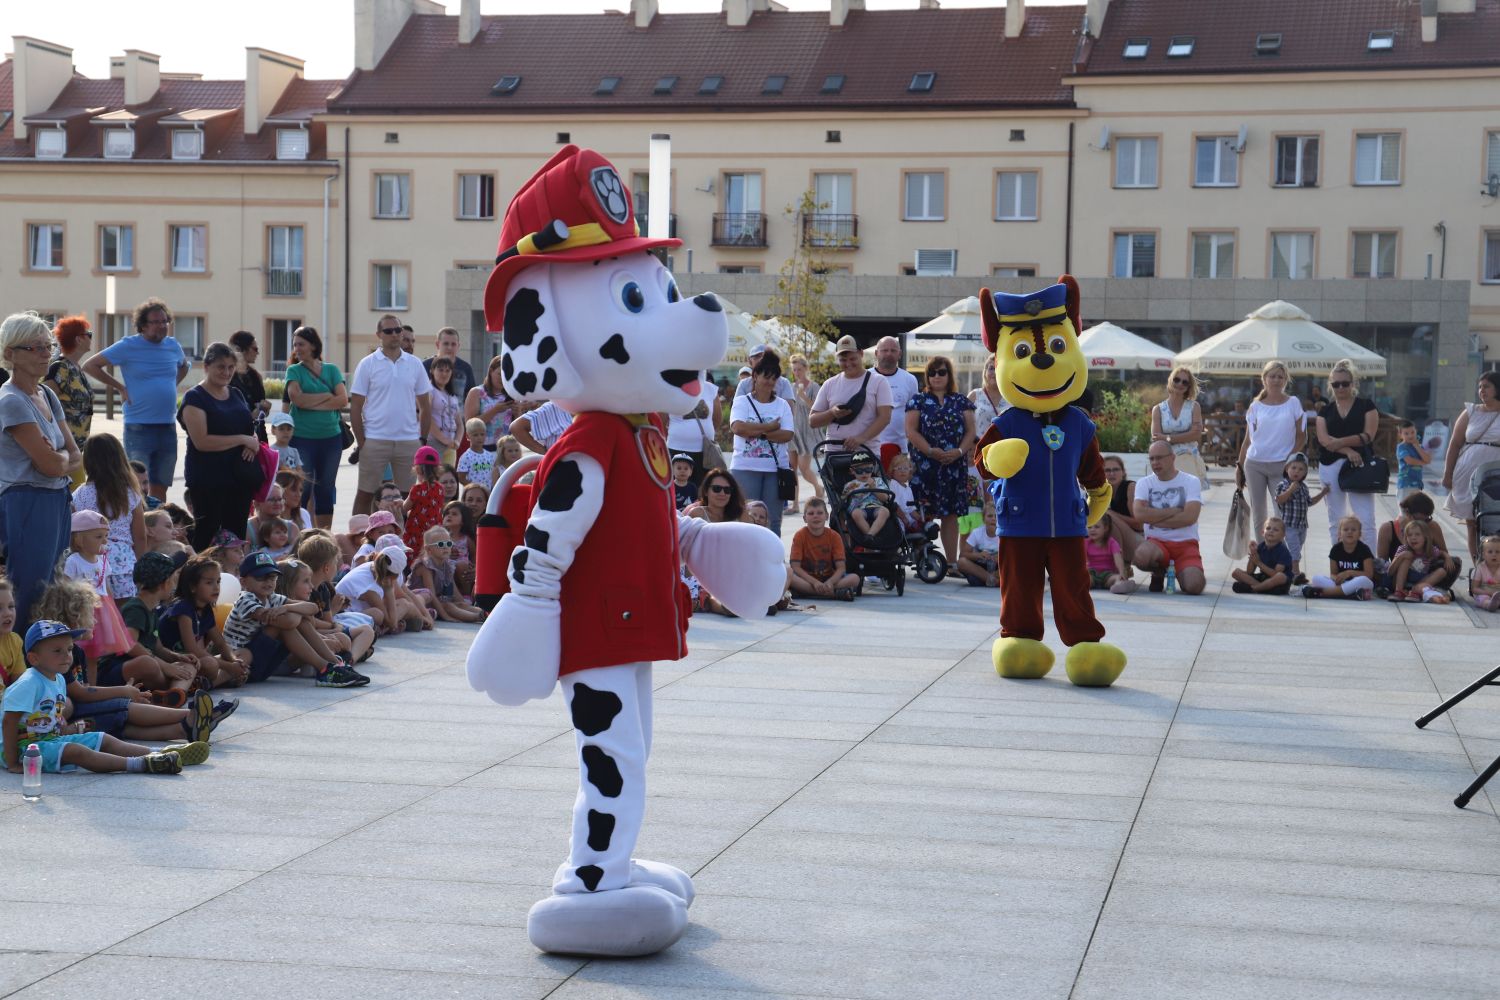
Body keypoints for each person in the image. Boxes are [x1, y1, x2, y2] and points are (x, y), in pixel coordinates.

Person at [3, 620, 186, 776]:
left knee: (102, 738)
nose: (67, 656)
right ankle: (141, 764)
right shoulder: (29, 683)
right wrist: (12, 763)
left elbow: (52, 713)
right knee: (76, 751)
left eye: (69, 649)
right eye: (57, 651)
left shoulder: (58, 678)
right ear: (34, 658)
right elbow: (9, 722)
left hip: (48, 740)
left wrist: (66, 729)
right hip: (23, 748)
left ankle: (160, 753)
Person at [0, 312, 81, 625]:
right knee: (30, 589)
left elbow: (75, 455)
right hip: (26, 501)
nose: (46, 354)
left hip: (55, 498)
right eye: (35, 348)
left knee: (52, 587)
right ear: (10, 354)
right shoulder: (11, 400)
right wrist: (60, 459)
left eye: (49, 347)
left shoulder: (46, 393)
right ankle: (19, 662)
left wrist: (59, 458)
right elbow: (50, 465)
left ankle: (45, 663)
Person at [81, 297, 190, 503]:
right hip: (138, 426)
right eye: (156, 322)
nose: (162, 326)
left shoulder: (173, 345)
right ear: (142, 326)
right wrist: (119, 387)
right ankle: (139, 525)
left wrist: (170, 385)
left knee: (161, 484)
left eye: (165, 321)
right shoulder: (128, 345)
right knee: (135, 484)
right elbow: (90, 365)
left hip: (167, 426)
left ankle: (157, 525)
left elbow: (184, 366)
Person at [223, 552, 365, 686]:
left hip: (261, 662)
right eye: (260, 578)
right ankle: (325, 669)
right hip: (241, 665)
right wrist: (294, 611)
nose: (267, 582)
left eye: (272, 577)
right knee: (284, 625)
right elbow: (289, 622)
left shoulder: (272, 598)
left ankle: (334, 664)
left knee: (300, 618)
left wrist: (287, 608)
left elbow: (313, 608)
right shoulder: (245, 600)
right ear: (243, 581)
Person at [178, 342, 260, 552]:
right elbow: (202, 441)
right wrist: (243, 439)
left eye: (231, 367)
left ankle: (232, 579)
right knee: (207, 535)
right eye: (220, 367)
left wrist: (252, 443)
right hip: (208, 480)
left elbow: (249, 429)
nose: (226, 372)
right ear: (206, 367)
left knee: (236, 535)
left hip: (239, 478)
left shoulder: (236, 394)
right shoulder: (195, 397)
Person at [350, 316, 432, 516]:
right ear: (379, 335)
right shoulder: (367, 364)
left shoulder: (414, 364)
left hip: (409, 440)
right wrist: (362, 442)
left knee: (407, 497)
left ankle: (404, 541)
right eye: (388, 331)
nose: (395, 334)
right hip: (375, 439)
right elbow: (355, 407)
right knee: (365, 494)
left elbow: (425, 406)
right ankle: (357, 539)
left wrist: (421, 439)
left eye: (398, 329)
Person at [904, 355, 976, 569]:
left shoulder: (961, 401)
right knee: (924, 512)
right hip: (925, 464)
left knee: (951, 515)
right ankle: (925, 561)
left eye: (942, 372)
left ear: (949, 375)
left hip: (954, 465)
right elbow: (910, 430)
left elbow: (971, 430)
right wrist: (930, 451)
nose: (937, 376)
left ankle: (951, 562)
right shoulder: (917, 400)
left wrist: (960, 451)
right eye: (932, 372)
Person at [283, 326, 347, 529]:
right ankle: (299, 533)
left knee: (326, 490)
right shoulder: (294, 370)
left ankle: (324, 535)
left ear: (313, 345)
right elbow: (297, 399)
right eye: (295, 345)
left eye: (301, 344)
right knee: (302, 488)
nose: (297, 348)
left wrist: (312, 402)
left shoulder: (331, 370)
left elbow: (343, 400)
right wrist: (327, 397)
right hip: (302, 438)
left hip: (331, 438)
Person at [71, 433, 146, 600]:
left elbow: (74, 533)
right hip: (124, 564)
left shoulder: (79, 495)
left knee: (100, 616)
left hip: (91, 561)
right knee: (122, 618)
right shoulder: (130, 494)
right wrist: (140, 570)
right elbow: (140, 537)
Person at [1236, 360, 1306, 541]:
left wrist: (1289, 462)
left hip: (1282, 466)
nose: (1276, 380)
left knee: (1282, 512)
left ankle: (1282, 555)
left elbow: (1301, 436)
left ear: (1285, 380)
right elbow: (1247, 441)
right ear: (1264, 379)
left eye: (1280, 377)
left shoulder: (1293, 403)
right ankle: (1262, 552)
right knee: (1259, 512)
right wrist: (1239, 467)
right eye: (1272, 376)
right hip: (1254, 464)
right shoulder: (1255, 406)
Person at [1315, 359, 1381, 547]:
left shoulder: (1366, 405)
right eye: (1336, 384)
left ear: (1353, 384)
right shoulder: (1324, 410)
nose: (1341, 387)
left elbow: (1368, 435)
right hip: (1329, 464)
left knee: (1365, 518)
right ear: (1330, 385)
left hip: (1360, 465)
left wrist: (1340, 442)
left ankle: (1370, 564)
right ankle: (1337, 563)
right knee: (1335, 518)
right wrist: (1347, 449)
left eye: (1345, 383)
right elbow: (1323, 440)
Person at [729, 351, 795, 538]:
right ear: (755, 376)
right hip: (745, 467)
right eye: (766, 376)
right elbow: (739, 428)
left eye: (774, 378)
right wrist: (770, 426)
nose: (770, 381)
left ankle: (772, 560)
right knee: (744, 517)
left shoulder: (782, 405)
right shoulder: (742, 401)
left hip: (776, 469)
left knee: (773, 519)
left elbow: (787, 434)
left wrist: (759, 431)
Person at [159, 555, 249, 689]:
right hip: (175, 662)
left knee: (244, 654)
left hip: (194, 662)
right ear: (193, 587)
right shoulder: (182, 608)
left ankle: (202, 684)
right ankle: (205, 683)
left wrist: (234, 660)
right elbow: (192, 650)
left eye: (218, 582)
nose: (216, 587)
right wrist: (230, 667)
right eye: (209, 583)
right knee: (210, 664)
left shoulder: (205, 608)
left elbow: (219, 641)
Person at [1132, 440, 1206, 595]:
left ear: (1172, 458)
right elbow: (1139, 514)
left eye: (1159, 458)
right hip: (1157, 543)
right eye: (1151, 458)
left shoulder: (1191, 481)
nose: (1155, 462)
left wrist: (1152, 517)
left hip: (1185, 545)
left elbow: (1190, 518)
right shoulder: (1144, 483)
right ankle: (1159, 571)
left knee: (1194, 586)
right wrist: (1173, 511)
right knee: (1141, 556)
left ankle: (1180, 572)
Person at [1441, 371, 1500, 562]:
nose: (1482, 390)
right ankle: (1478, 567)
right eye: (1480, 386)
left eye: (1487, 386)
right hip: (1466, 473)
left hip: (1494, 472)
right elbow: (1455, 443)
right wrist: (1447, 473)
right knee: (1472, 523)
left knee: (1494, 518)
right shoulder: (1471, 411)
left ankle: (1495, 568)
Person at [809, 335, 893, 454]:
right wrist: (832, 413)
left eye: (852, 358)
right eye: (843, 360)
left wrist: (861, 438)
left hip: (866, 453)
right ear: (837, 359)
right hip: (834, 452)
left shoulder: (879, 381)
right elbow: (812, 421)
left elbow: (885, 417)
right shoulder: (829, 384)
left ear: (861, 354)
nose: (848, 363)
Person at [44, 315, 94, 488]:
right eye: (89, 334)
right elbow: (45, 403)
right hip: (64, 449)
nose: (91, 337)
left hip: (76, 448)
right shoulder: (60, 368)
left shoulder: (75, 368)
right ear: (79, 339)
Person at [788, 498, 859, 601]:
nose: (815, 516)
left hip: (828, 578)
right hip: (806, 579)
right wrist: (815, 582)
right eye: (811, 513)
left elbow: (841, 568)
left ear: (827, 516)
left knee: (854, 578)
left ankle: (808, 592)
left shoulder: (834, 536)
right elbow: (795, 567)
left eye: (820, 513)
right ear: (804, 518)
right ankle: (833, 594)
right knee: (789, 575)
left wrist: (830, 582)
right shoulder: (800, 535)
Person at [410, 525, 485, 623]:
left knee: (458, 604)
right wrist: (445, 616)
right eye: (441, 544)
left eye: (449, 543)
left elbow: (455, 592)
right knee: (447, 605)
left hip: (437, 602)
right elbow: (431, 595)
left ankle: (487, 613)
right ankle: (478, 617)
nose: (446, 547)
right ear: (429, 549)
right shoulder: (425, 566)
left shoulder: (447, 565)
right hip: (421, 601)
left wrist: (462, 604)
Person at [1151, 366, 1209, 492]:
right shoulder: (1158, 409)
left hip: (1189, 461)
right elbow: (1156, 439)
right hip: (1166, 462)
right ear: (1171, 380)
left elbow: (1196, 435)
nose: (1180, 384)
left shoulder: (1194, 406)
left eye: (1185, 382)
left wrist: (1167, 438)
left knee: (1189, 503)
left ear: (1189, 387)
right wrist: (1185, 436)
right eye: (1177, 380)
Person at [1274, 452, 1327, 583]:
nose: (1296, 471)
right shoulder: (1283, 484)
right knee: (1295, 549)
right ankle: (1295, 573)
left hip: (1302, 525)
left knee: (1296, 548)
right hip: (1289, 525)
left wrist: (1322, 493)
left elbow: (1310, 502)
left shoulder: (1304, 487)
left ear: (1305, 473)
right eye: (1293, 468)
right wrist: (1291, 490)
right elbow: (1279, 500)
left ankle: (1287, 570)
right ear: (1287, 469)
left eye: (1301, 469)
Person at [872, 336, 920, 470]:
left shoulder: (910, 380)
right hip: (869, 448)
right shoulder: (866, 378)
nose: (889, 354)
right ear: (876, 353)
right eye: (884, 350)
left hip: (900, 449)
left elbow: (914, 415)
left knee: (898, 488)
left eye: (893, 350)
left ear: (900, 354)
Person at [1302, 516, 1377, 600]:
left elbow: (1369, 575)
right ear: (1339, 533)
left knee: (1364, 581)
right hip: (1342, 584)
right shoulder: (1336, 549)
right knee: (1316, 578)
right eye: (1346, 529)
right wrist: (1336, 578)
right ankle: (1351, 594)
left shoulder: (1364, 549)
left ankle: (1323, 593)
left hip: (1357, 582)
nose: (1349, 532)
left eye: (1353, 530)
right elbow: (1333, 574)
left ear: (1359, 534)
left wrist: (1349, 573)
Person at [1387, 517, 1457, 604]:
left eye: (1417, 534)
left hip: (1420, 580)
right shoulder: (1403, 549)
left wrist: (1447, 557)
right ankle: (1399, 592)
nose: (1413, 538)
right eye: (1409, 535)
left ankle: (1415, 591)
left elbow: (1441, 552)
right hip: (1401, 581)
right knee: (1408, 556)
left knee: (1442, 571)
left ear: (1425, 537)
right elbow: (1390, 572)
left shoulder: (1430, 550)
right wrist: (1401, 556)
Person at [666, 377, 720, 488]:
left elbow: (717, 419)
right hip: (676, 449)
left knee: (702, 490)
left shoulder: (710, 389)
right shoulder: (669, 387)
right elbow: (661, 420)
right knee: (675, 490)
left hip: (704, 452)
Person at [787, 354, 824, 506]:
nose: (797, 372)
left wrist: (802, 396)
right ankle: (795, 503)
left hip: (807, 431)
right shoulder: (790, 387)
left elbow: (817, 408)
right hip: (793, 431)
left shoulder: (814, 387)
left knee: (804, 467)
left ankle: (818, 488)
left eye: (800, 369)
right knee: (792, 469)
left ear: (806, 369)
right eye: (794, 370)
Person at [228, 330, 274, 440]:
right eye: (255, 349)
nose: (257, 353)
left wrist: (265, 409)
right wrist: (250, 416)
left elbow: (262, 411)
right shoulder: (226, 377)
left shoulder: (255, 376)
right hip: (237, 438)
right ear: (240, 350)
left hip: (258, 435)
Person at [1231, 516, 1293, 594]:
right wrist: (1253, 553)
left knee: (1280, 576)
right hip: (1264, 578)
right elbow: (1250, 571)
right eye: (1268, 528)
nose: (1271, 531)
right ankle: (1262, 588)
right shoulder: (1260, 547)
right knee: (1236, 572)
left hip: (1279, 583)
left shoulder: (1283, 551)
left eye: (1276, 530)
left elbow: (1275, 574)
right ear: (1263, 532)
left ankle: (1254, 588)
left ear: (1283, 536)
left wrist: (1258, 563)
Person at [402, 446, 446, 555]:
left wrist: (400, 503)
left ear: (417, 469)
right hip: (435, 530)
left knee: (416, 555)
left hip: (417, 531)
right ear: (437, 468)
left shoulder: (417, 489)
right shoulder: (440, 488)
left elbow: (405, 507)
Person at [1101, 454, 1144, 566]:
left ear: (1123, 472)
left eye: (1116, 469)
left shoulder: (1130, 487)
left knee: (1107, 517)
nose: (1111, 473)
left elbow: (1139, 525)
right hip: (1125, 540)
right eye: (1107, 470)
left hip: (1140, 541)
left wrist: (1111, 513)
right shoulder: (1103, 491)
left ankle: (1119, 566)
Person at [464, 355, 513, 448]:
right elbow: (469, 424)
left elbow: (515, 426)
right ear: (491, 371)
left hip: (506, 449)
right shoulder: (477, 392)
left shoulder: (511, 395)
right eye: (500, 374)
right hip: (483, 448)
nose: (503, 379)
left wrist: (518, 411)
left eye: (507, 376)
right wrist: (494, 410)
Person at [1085, 514, 1137, 594]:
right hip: (1091, 572)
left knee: (1116, 578)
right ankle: (1081, 585)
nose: (1092, 530)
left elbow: (1118, 558)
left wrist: (1121, 572)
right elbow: (1082, 558)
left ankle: (1120, 585)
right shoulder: (1086, 542)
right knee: (1085, 578)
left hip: (1108, 574)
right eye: (1089, 527)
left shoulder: (1111, 543)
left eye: (1097, 527)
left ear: (1105, 528)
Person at [841, 455, 890, 538]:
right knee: (856, 513)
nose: (864, 473)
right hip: (860, 508)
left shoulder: (878, 481)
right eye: (859, 471)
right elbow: (844, 501)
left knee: (885, 512)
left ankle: (870, 534)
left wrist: (874, 488)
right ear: (852, 471)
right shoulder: (850, 485)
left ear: (872, 469)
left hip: (877, 507)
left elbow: (885, 498)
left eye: (868, 470)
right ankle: (869, 536)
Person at [423, 326, 478, 401]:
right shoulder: (425, 366)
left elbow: (471, 397)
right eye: (446, 344)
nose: (449, 347)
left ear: (458, 346)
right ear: (437, 344)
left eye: (453, 344)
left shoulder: (466, 368)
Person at [427, 356, 463, 466]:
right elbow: (426, 418)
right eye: (440, 370)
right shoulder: (429, 390)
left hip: (450, 446)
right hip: (432, 443)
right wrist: (444, 440)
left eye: (448, 370)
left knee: (447, 480)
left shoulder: (452, 396)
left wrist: (457, 441)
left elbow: (460, 424)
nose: (444, 374)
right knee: (431, 479)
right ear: (432, 371)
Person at [957, 503, 1000, 588]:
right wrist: (978, 555)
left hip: (997, 568)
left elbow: (1011, 555)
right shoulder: (977, 533)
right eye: (990, 516)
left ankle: (989, 579)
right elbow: (963, 554)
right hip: (980, 567)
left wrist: (999, 557)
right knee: (961, 562)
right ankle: (992, 580)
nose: (993, 519)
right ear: (983, 519)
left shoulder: (1004, 535)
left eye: (996, 516)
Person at [968, 356, 1007, 434]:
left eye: (998, 368)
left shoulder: (1011, 397)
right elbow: (965, 426)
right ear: (985, 372)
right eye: (991, 368)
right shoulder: (974, 396)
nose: (995, 372)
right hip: (979, 445)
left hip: (1004, 445)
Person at [1395, 419, 1431, 502]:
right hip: (1405, 484)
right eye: (1406, 433)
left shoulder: (1419, 447)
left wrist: (1417, 446)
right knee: (1405, 510)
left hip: (1417, 483)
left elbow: (1428, 459)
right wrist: (1423, 463)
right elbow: (1409, 461)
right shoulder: (1401, 447)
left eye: (1412, 432)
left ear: (1416, 431)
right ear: (1400, 435)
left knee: (1414, 510)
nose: (1410, 436)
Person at [456, 417, 495, 489]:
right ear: (468, 436)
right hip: (474, 494)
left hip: (489, 494)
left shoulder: (490, 456)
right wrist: (475, 487)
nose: (479, 437)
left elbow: (494, 475)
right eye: (475, 435)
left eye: (482, 434)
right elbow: (461, 478)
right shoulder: (466, 457)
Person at [1472, 534, 1500, 611]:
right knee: (1482, 599)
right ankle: (1489, 605)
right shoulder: (1481, 568)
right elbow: (1474, 588)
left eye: (1498, 552)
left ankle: (1496, 602)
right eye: (1490, 552)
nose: (1494, 554)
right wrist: (1489, 593)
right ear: (1483, 555)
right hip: (1484, 592)